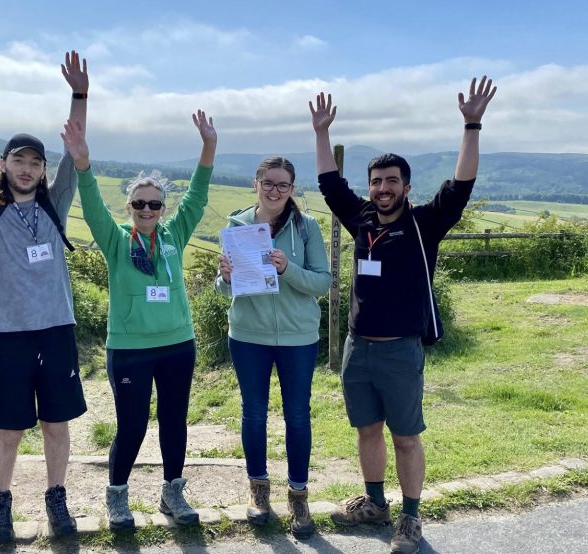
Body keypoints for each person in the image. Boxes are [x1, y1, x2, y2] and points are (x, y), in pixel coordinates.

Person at [310, 77, 497, 554]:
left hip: (401, 350)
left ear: (406, 187)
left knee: (406, 437)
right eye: (376, 181)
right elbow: (331, 184)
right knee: (366, 429)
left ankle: (410, 519)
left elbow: (463, 183)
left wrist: (471, 124)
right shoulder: (362, 219)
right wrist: (321, 133)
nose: (382, 187)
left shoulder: (425, 223)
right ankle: (375, 504)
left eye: (392, 180)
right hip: (358, 348)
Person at [0, 45, 88, 544]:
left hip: (57, 330)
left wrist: (79, 94)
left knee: (56, 424)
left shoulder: (56, 205)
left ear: (44, 171)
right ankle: (0, 508)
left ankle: (57, 502)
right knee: (8, 429)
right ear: (3, 165)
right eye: (18, 160)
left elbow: (74, 150)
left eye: (35, 162)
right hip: (7, 336)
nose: (27, 169)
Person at [60, 110, 216, 530]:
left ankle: (172, 494)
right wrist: (83, 164)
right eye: (139, 203)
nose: (147, 209)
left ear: (163, 208)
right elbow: (91, 203)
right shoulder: (115, 239)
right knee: (131, 425)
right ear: (129, 207)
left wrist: (208, 147)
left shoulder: (174, 234)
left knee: (174, 422)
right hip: (129, 349)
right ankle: (117, 498)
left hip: (178, 344)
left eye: (155, 203)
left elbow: (198, 197)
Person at [214, 157, 331, 539]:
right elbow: (225, 289)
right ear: (256, 183)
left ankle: (298, 496)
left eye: (283, 185)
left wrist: (287, 270)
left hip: (298, 337)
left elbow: (322, 283)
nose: (275, 191)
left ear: (292, 189)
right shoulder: (236, 226)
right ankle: (259, 491)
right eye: (269, 183)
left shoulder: (307, 227)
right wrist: (225, 278)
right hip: (248, 335)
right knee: (254, 415)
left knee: (297, 416)